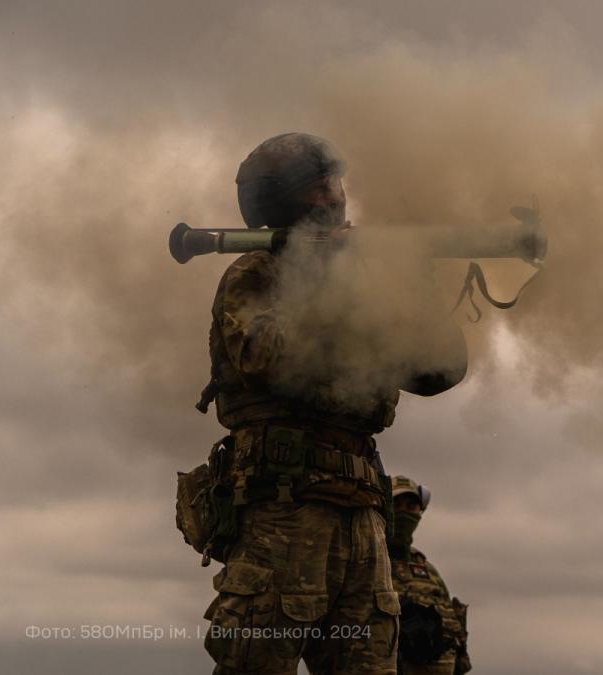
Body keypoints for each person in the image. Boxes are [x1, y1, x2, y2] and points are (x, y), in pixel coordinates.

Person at [194, 132, 468, 675]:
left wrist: (411, 286)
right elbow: (267, 356)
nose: (337, 195)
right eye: (322, 186)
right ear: (292, 198)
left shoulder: (361, 280)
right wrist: (329, 279)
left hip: (362, 513)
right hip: (284, 510)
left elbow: (438, 371)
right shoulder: (256, 273)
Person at [388, 476, 472, 675]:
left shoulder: (427, 570)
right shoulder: (368, 561)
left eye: (411, 507)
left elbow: (454, 633)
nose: (404, 512)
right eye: (396, 505)